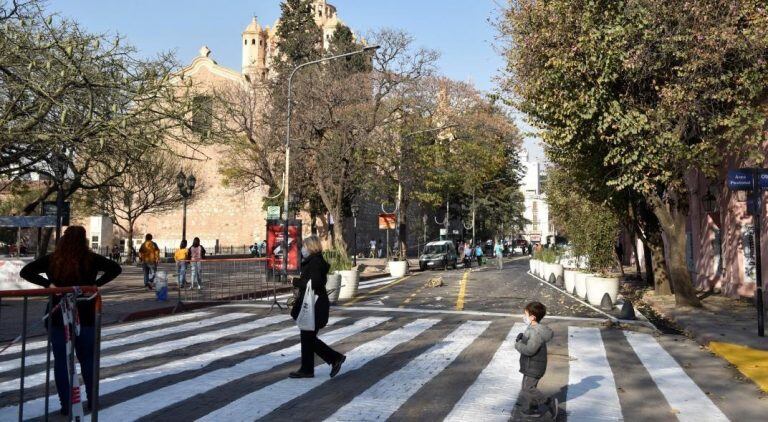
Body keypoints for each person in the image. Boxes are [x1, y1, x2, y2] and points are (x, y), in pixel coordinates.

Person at [19, 226, 121, 416]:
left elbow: (26, 271)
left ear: (63, 240)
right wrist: (94, 285)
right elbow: (116, 268)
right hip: (86, 313)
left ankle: (67, 404)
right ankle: (92, 400)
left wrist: (49, 285)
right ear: (84, 240)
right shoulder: (91, 259)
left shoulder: (53, 259)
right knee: (87, 359)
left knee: (61, 361)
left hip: (57, 313)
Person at [289, 235, 345, 378]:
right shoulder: (314, 261)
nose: (303, 249)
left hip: (314, 305)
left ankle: (334, 358)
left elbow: (314, 283)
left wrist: (295, 282)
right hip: (314, 304)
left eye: (304, 246)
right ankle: (308, 369)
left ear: (311, 247)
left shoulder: (315, 262)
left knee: (308, 338)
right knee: (307, 337)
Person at [515, 301, 557, 418]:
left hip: (533, 366)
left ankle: (548, 402)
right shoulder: (534, 329)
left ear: (532, 317)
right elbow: (532, 342)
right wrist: (523, 338)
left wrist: (518, 344)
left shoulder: (535, 332)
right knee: (526, 387)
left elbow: (530, 350)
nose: (524, 317)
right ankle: (532, 408)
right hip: (532, 365)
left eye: (526, 314)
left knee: (528, 388)